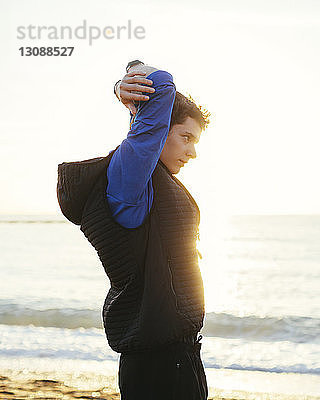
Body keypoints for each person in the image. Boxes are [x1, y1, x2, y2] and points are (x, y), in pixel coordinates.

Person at [57, 60, 210, 399]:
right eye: (185, 137)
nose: (192, 152)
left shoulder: (148, 182)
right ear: (158, 132)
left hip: (179, 357)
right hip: (158, 365)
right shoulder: (130, 183)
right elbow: (160, 88)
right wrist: (132, 77)